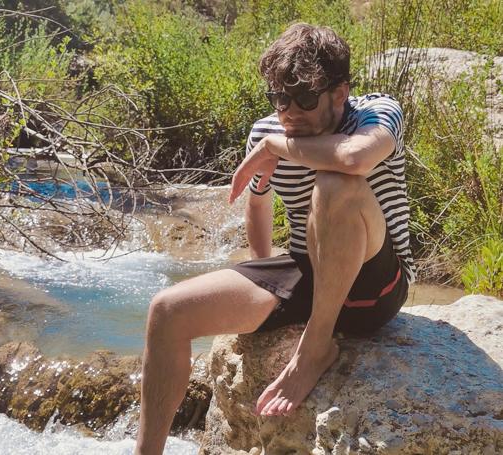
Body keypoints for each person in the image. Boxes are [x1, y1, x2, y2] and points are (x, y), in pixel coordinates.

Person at [134, 22, 416, 455]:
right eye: (279, 97)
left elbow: (354, 158)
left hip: (376, 284)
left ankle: (315, 349)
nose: (288, 112)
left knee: (334, 184)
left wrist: (276, 149)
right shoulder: (267, 132)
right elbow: (258, 203)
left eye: (304, 98)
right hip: (311, 269)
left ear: (340, 93)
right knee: (167, 311)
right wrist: (260, 281)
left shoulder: (377, 112)